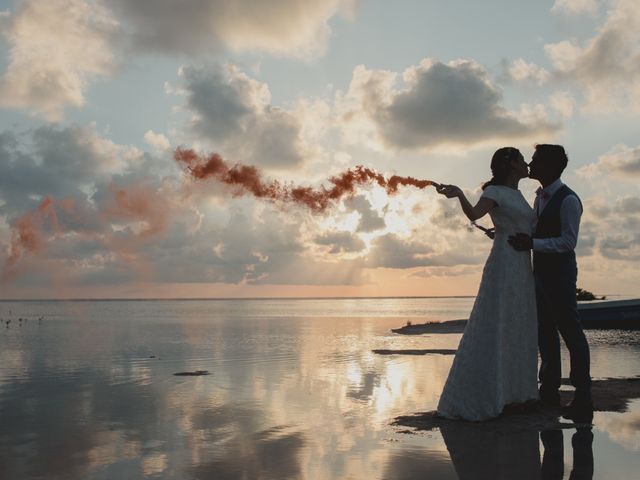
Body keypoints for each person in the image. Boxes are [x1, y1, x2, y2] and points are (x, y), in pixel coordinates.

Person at [435, 147, 538, 421]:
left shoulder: (519, 195)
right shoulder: (494, 193)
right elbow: (474, 215)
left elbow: (522, 226)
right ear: (511, 165)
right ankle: (492, 395)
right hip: (504, 263)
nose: (527, 164)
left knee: (518, 324)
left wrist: (503, 230)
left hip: (522, 264)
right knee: (499, 322)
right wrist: (458, 194)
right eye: (522, 160)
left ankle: (515, 395)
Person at [508, 144, 593, 423]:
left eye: (535, 160)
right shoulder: (539, 197)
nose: (530, 164)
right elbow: (535, 229)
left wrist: (532, 243)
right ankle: (549, 393)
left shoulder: (569, 200)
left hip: (560, 274)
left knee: (571, 332)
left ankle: (583, 396)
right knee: (545, 333)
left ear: (550, 166)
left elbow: (569, 241)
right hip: (540, 274)